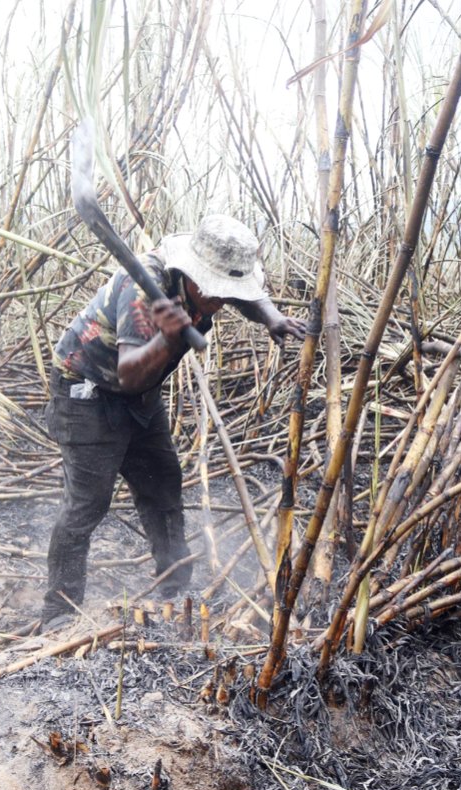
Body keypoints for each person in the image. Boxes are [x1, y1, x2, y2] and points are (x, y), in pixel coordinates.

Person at [41, 214, 306, 628]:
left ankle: (174, 586)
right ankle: (59, 609)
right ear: (194, 278)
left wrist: (271, 315)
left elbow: (244, 296)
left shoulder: (209, 288)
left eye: (229, 292)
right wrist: (167, 338)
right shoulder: (143, 289)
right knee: (88, 502)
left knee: (163, 483)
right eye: (218, 294)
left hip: (140, 394)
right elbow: (129, 373)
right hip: (88, 390)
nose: (224, 302)